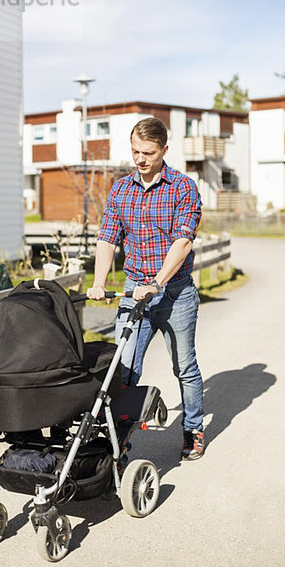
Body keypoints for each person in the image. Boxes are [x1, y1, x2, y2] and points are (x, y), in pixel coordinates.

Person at [86, 117, 204, 460]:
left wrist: (157, 283)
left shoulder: (183, 187)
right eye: (136, 151)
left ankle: (192, 429)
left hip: (175, 293)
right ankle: (119, 439)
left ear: (164, 150)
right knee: (123, 369)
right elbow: (108, 238)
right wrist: (98, 282)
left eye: (148, 153)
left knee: (184, 366)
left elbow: (183, 242)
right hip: (134, 290)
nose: (141, 159)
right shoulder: (121, 189)